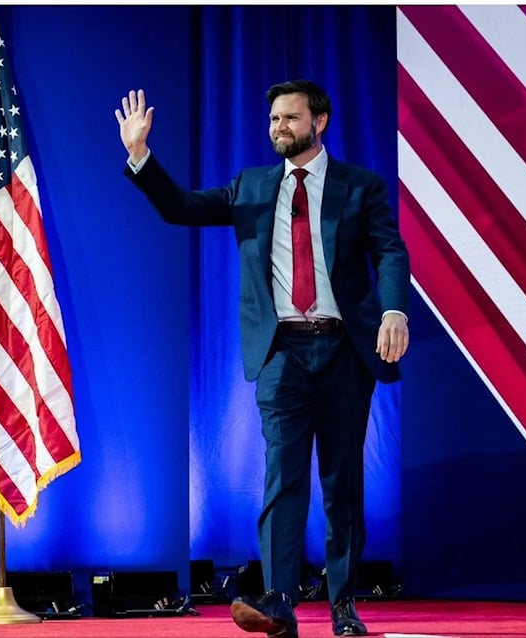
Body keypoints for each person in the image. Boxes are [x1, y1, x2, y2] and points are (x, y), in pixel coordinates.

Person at [115, 80, 409, 638]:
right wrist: (139, 155)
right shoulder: (250, 187)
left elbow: (390, 251)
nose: (279, 127)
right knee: (283, 477)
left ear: (319, 122)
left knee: (342, 481)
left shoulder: (359, 187)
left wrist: (395, 311)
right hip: (282, 354)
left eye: (290, 118)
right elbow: (179, 207)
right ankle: (279, 602)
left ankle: (344, 606)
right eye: (273, 119)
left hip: (345, 349)